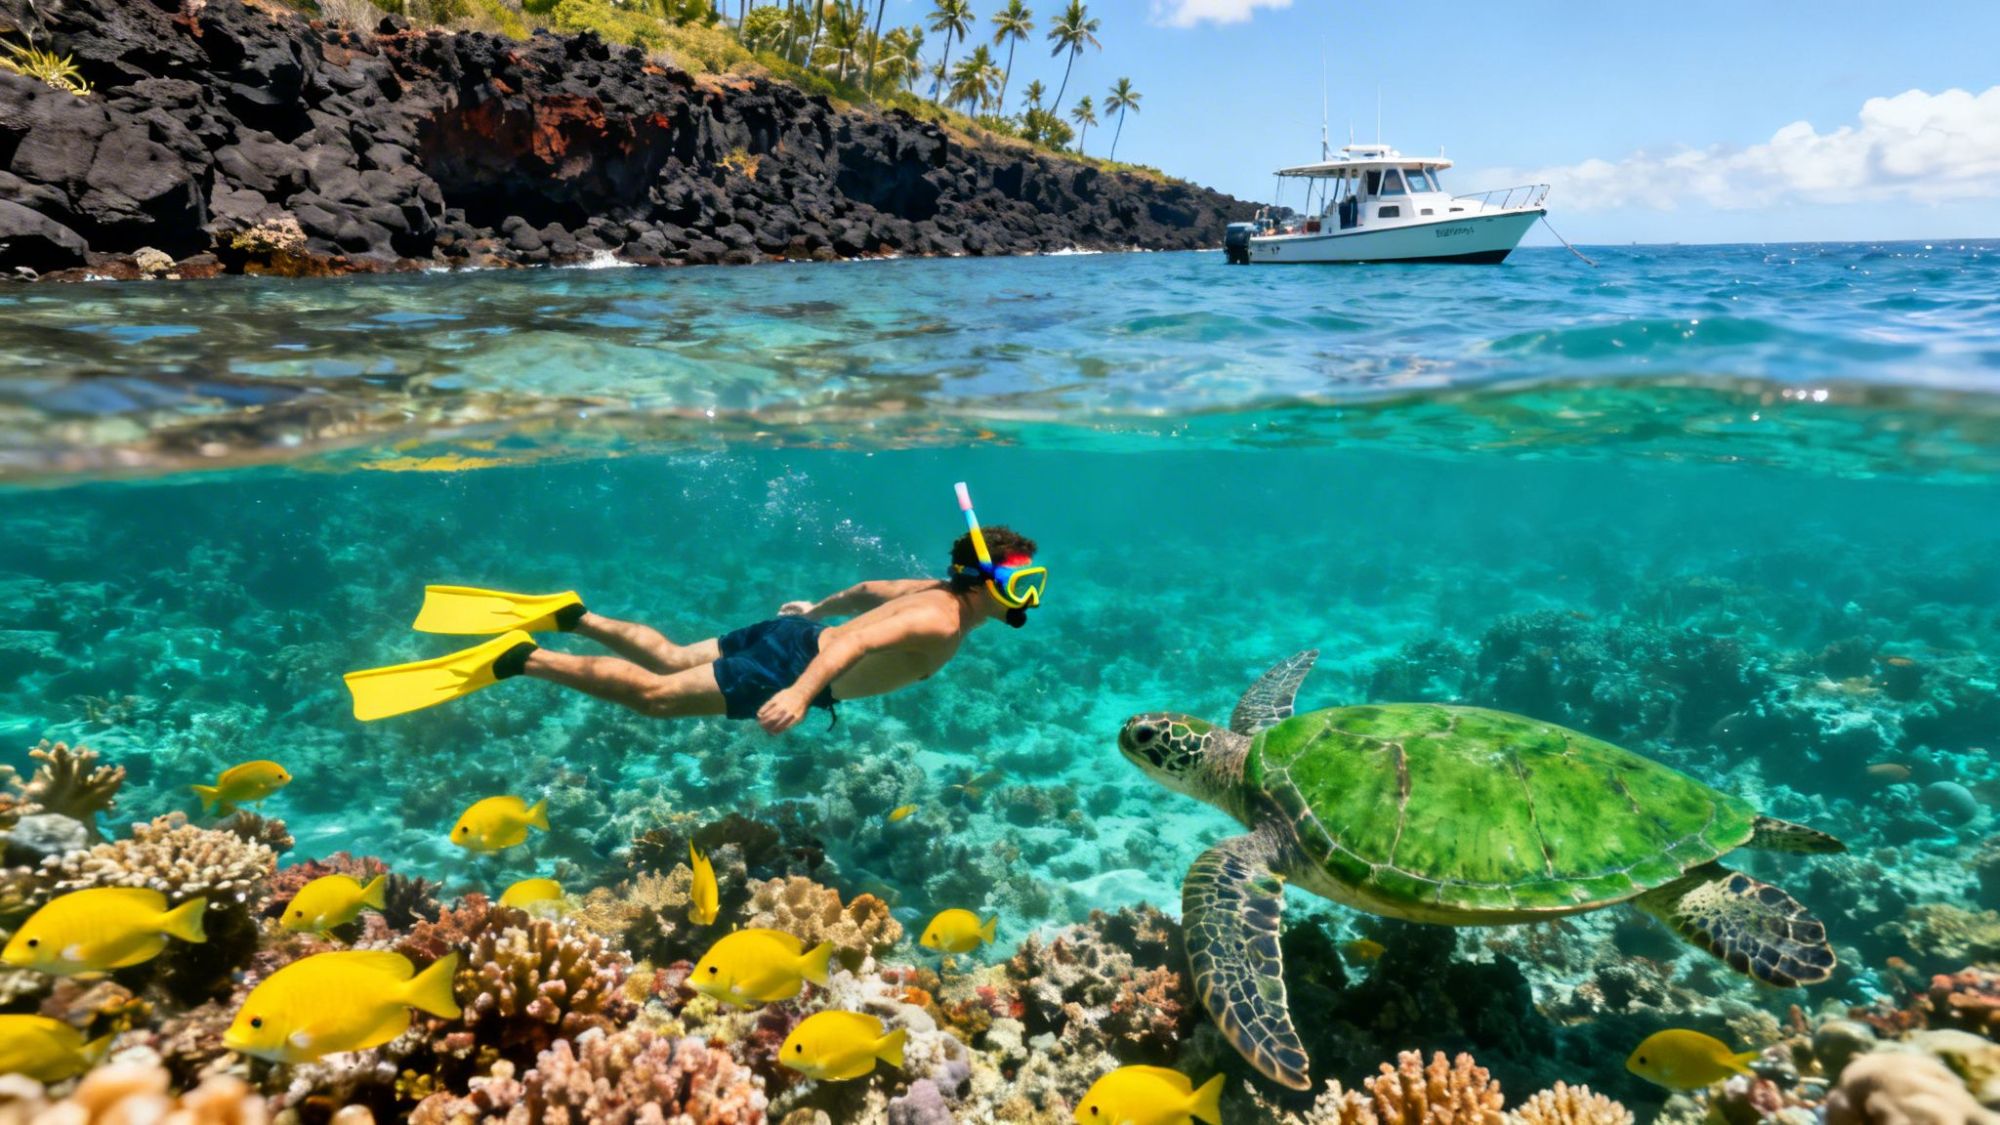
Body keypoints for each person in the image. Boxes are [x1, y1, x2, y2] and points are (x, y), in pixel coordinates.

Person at [342, 484, 1044, 734]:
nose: (1027, 595)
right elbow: (852, 647)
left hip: (793, 632)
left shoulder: (933, 588)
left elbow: (863, 594)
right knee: (656, 698)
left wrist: (813, 605)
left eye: (1031, 582)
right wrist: (800, 694)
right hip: (800, 661)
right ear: (981, 580)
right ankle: (524, 656)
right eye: (1018, 582)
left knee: (674, 655)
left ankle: (570, 614)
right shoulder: (941, 618)